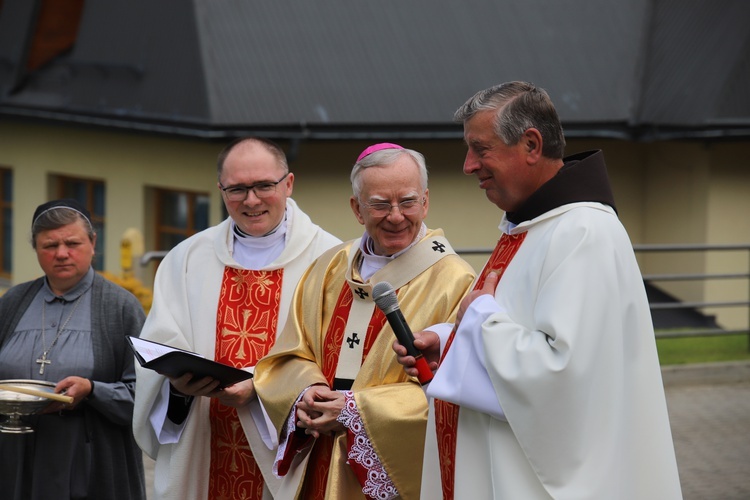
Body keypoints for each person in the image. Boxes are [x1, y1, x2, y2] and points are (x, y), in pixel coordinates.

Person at [394, 82, 683, 499]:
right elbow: (517, 323)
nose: (468, 165)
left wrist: (478, 323)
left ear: (531, 144)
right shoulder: (530, 226)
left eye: (480, 149)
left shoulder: (584, 232)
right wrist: (449, 341)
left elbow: (563, 372)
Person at [253, 143, 476, 500]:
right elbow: (293, 352)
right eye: (379, 204)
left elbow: (455, 393)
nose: (396, 216)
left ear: (426, 202)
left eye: (407, 201)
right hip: (319, 458)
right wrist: (306, 392)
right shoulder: (330, 265)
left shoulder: (454, 280)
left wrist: (356, 412)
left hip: (392, 464)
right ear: (357, 209)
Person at [133, 137, 341, 500]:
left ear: (288, 183)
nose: (252, 200)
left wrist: (262, 393)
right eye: (237, 189)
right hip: (201, 445)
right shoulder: (186, 259)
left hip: (291, 457)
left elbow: (338, 364)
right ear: (220, 190)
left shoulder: (332, 260)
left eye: (264, 185)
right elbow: (161, 350)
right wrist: (177, 389)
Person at [0, 198, 147, 500]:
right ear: (36, 249)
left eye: (72, 243)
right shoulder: (13, 302)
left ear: (93, 243)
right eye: (49, 246)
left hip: (90, 461)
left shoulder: (121, 308)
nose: (62, 254)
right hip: (13, 458)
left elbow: (147, 397)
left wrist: (93, 390)